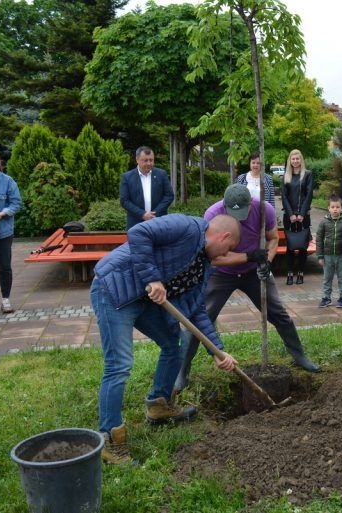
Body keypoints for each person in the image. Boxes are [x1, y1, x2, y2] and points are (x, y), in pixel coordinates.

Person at [91, 213, 241, 464]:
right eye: (229, 248)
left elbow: (196, 310)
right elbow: (138, 233)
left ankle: (159, 405)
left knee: (173, 345)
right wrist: (152, 278)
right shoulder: (187, 227)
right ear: (223, 236)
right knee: (119, 364)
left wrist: (218, 351)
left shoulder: (203, 266)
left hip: (144, 300)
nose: (226, 255)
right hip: (114, 290)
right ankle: (108, 437)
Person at [175, 184, 321, 393]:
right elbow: (214, 258)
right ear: (225, 205)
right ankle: (182, 371)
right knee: (198, 320)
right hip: (222, 274)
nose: (240, 217)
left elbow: (272, 239)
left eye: (243, 212)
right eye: (235, 213)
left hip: (254, 272)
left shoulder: (264, 210)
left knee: (278, 313)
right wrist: (249, 256)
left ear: (250, 204)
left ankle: (299, 355)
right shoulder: (213, 214)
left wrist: (267, 262)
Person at [0, 148, 21, 314]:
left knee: (4, 266)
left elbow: (16, 203)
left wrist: (2, 214)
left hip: (3, 231)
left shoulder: (7, 181)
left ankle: (6, 300)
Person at [120, 146, 175, 230]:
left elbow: (169, 196)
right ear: (137, 160)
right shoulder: (127, 177)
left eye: (151, 160)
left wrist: (154, 214)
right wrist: (142, 214)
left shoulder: (161, 174)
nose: (149, 163)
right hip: (136, 224)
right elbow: (124, 200)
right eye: (145, 160)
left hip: (159, 222)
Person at [281, 149, 314, 285]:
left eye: (297, 159)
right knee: (289, 246)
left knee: (302, 246)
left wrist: (301, 214)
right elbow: (283, 196)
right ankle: (289, 273)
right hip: (288, 216)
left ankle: (300, 273)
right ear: (290, 160)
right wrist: (291, 214)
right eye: (293, 159)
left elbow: (309, 194)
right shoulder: (285, 176)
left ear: (301, 160)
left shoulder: (307, 175)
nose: (295, 161)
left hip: (303, 216)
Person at [316, 195, 342, 308]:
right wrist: (320, 256)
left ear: (341, 208)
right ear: (328, 208)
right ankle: (326, 298)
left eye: (337, 207)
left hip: (341, 255)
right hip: (327, 255)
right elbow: (319, 238)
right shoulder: (324, 222)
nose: (335, 209)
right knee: (327, 278)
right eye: (333, 207)